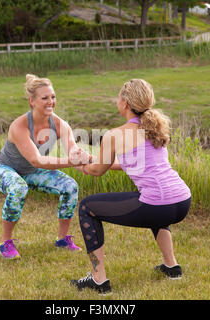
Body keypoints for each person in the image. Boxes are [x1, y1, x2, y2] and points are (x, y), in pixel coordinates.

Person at [70, 79, 191, 294]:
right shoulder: (154, 128)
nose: (116, 101)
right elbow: (135, 164)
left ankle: (99, 280)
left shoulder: (115, 135)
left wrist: (77, 163)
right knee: (152, 198)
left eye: (118, 97)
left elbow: (98, 171)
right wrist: (91, 158)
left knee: (87, 207)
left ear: (125, 103)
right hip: (181, 201)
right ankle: (172, 267)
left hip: (158, 204)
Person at [0, 74, 91, 259]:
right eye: (45, 98)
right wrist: (72, 161)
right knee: (18, 188)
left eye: (53, 97)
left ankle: (62, 239)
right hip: (4, 168)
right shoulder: (19, 126)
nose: (50, 101)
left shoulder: (60, 125)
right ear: (32, 102)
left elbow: (73, 153)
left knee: (70, 186)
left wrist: (87, 161)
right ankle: (6, 244)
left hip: (31, 172)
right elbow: (37, 160)